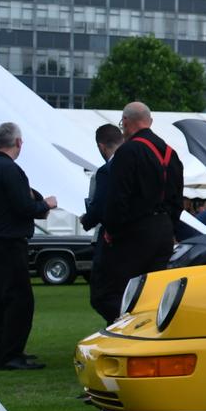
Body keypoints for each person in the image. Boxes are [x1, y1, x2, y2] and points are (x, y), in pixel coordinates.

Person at [0, 122, 55, 369]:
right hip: (10, 241)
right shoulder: (10, 170)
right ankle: (12, 353)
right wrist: (46, 204)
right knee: (19, 299)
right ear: (18, 143)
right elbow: (24, 207)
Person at [102, 102, 185, 308]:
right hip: (163, 232)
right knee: (154, 293)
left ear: (127, 122)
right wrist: (170, 226)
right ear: (150, 122)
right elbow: (177, 199)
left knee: (121, 293)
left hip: (135, 232)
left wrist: (112, 230)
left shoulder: (127, 152)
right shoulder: (170, 154)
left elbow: (118, 197)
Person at [81, 123, 125, 324]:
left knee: (101, 295)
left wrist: (87, 220)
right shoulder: (136, 165)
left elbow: (99, 206)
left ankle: (120, 324)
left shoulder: (106, 171)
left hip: (110, 237)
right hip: (137, 237)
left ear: (101, 146)